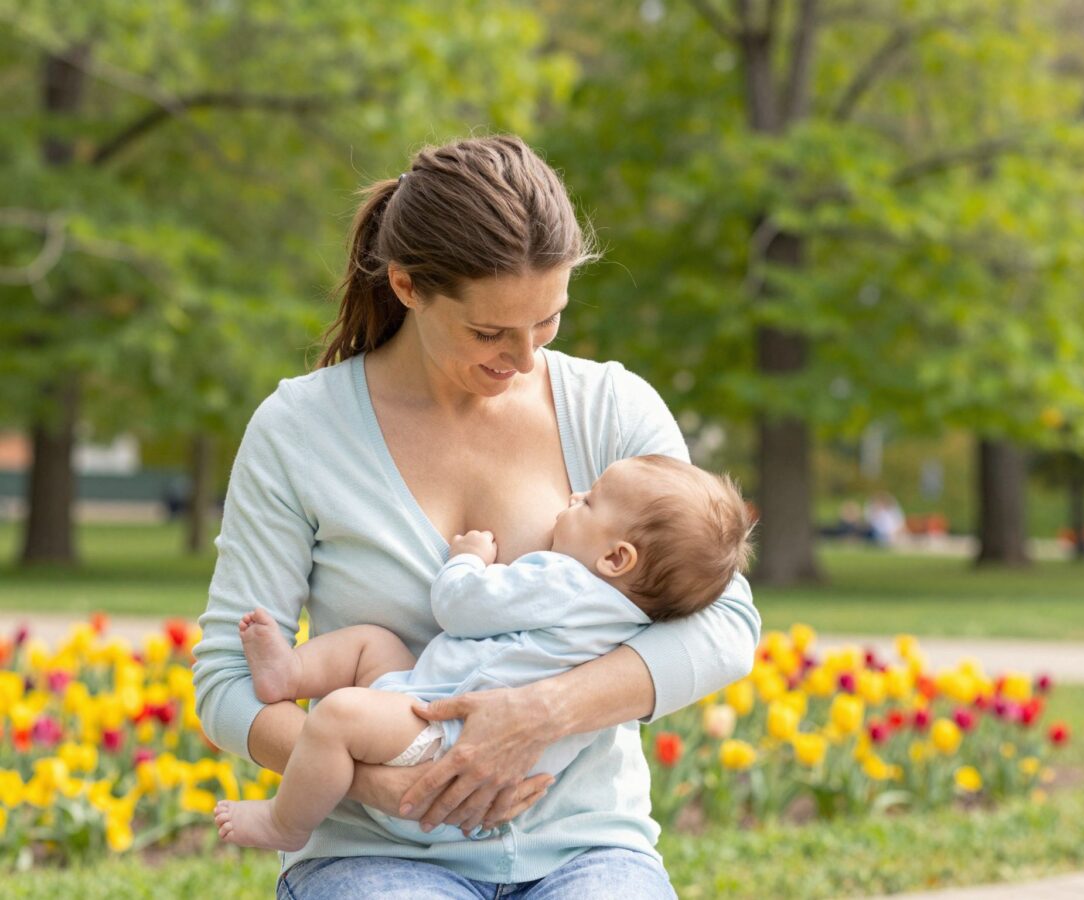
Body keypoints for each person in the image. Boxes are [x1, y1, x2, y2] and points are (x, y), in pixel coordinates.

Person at [192, 135, 760, 899]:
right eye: (490, 332)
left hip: (585, 851)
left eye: (548, 321)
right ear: (407, 286)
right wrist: (373, 782)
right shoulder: (299, 431)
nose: (525, 360)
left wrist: (540, 713)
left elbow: (725, 627)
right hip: (374, 856)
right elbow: (227, 684)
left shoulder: (611, 411)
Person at [212, 454, 753, 853]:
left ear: (615, 557)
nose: (572, 496)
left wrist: (469, 559)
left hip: (436, 740)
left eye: (588, 502)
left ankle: (287, 822)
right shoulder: (632, 618)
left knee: (336, 715)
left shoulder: (563, 579)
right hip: (440, 720)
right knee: (377, 648)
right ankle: (287, 672)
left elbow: (461, 607)